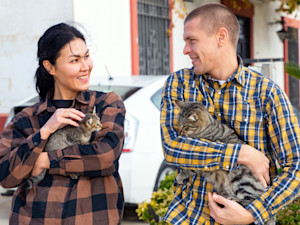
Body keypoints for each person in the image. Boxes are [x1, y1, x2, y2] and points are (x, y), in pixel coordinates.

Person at [160, 3, 300, 225]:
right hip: (189, 217)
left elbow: (296, 167)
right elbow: (172, 147)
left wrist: (253, 213)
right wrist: (239, 153)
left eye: (192, 40)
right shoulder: (179, 84)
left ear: (220, 37)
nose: (185, 50)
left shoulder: (267, 94)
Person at [0, 23, 126, 225]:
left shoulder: (105, 104)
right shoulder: (27, 118)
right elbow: (5, 175)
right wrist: (45, 132)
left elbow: (105, 156)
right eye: (75, 60)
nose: (85, 66)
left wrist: (45, 161)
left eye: (86, 56)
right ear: (50, 67)